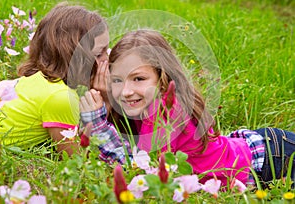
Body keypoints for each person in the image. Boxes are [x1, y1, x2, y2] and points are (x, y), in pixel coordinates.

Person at [79, 29, 295, 188]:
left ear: (163, 79)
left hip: (272, 160)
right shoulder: (139, 105)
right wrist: (107, 100)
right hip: (254, 148)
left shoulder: (167, 112)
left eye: (138, 78)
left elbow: (138, 170)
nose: (126, 91)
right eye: (117, 80)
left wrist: (97, 125)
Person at [0, 2, 110, 156]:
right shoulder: (60, 98)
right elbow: (77, 161)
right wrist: (106, 102)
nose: (107, 59)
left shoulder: (39, 78)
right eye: (99, 54)